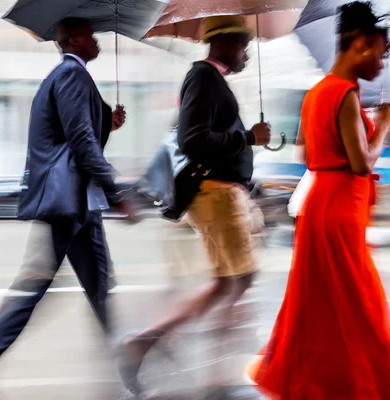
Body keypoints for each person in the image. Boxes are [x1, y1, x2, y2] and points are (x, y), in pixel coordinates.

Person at [0, 17, 137, 400]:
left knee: (99, 289)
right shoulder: (71, 75)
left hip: (79, 204)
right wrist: (116, 190)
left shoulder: (68, 76)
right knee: (36, 288)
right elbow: (80, 141)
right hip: (69, 203)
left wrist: (108, 120)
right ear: (74, 39)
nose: (97, 41)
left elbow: (74, 130)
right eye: (91, 35)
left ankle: (131, 377)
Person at [248, 2, 390, 399]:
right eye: (380, 50)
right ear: (358, 43)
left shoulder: (317, 93)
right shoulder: (343, 94)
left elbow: (306, 156)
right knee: (358, 302)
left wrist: (359, 127)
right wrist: (384, 129)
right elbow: (360, 163)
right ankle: (362, 386)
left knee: (321, 303)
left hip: (321, 208)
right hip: (341, 211)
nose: (382, 62)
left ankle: (320, 383)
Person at [118, 15, 271, 395]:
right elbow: (193, 140)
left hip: (221, 195)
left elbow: (205, 135)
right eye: (244, 46)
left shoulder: (210, 80)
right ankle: (219, 378)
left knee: (226, 284)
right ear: (225, 43)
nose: (247, 56)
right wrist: (248, 138)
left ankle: (147, 344)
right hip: (217, 195)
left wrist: (245, 142)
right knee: (241, 280)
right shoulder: (203, 77)